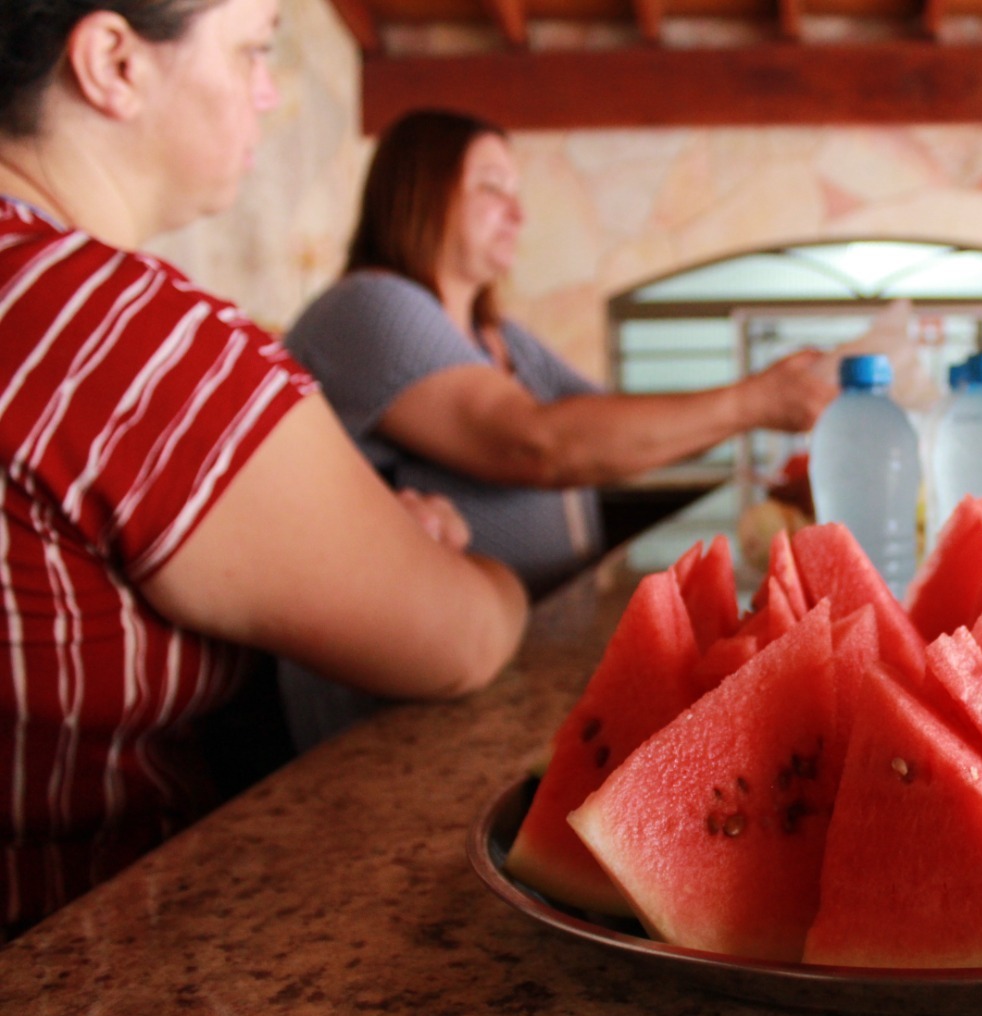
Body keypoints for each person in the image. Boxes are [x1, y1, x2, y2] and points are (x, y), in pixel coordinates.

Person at [0, 0, 529, 936]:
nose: (270, 91)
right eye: (252, 50)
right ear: (114, 63)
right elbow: (462, 642)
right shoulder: (114, 330)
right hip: (79, 957)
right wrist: (477, 571)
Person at [277, 109, 837, 746]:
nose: (518, 213)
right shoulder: (370, 304)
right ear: (419, 190)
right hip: (400, 703)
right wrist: (754, 401)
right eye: (491, 187)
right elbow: (536, 443)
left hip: (522, 652)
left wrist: (765, 398)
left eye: (518, 194)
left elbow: (609, 436)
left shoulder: (502, 337)